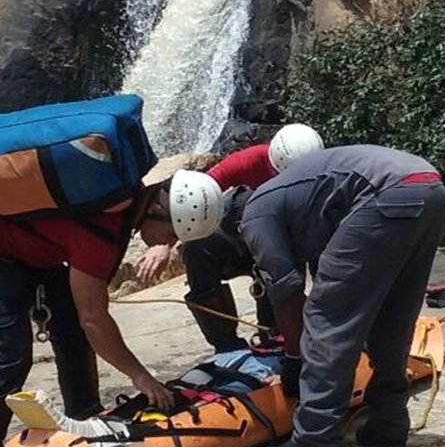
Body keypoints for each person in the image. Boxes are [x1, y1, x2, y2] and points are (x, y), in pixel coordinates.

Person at [0, 169, 223, 447]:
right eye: (171, 234)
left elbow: (85, 316)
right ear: (158, 211)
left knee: (71, 327)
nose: (169, 243)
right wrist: (141, 376)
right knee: (8, 353)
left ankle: (84, 413)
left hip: (29, 246)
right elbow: (94, 318)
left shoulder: (119, 197)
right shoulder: (103, 228)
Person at [236, 145, 445, 447]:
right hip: (429, 185)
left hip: (387, 192)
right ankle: (388, 424)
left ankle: (314, 442)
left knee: (325, 317)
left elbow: (287, 290)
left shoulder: (254, 214)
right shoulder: (293, 196)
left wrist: (295, 360)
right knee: (393, 315)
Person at [134, 124, 324, 353]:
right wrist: (164, 243)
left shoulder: (320, 179)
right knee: (198, 251)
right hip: (240, 235)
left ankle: (278, 335)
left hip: (283, 245)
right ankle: (226, 344)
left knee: (280, 292)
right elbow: (195, 200)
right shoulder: (251, 160)